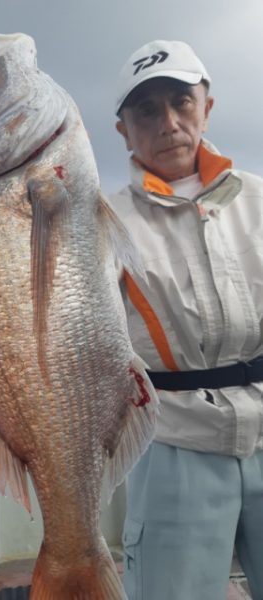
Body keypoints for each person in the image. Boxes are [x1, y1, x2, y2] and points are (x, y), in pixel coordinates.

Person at [110, 39, 263, 600]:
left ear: (208, 106)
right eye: (146, 111)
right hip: (173, 440)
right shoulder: (102, 222)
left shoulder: (258, 197)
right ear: (123, 129)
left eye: (181, 102)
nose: (168, 122)